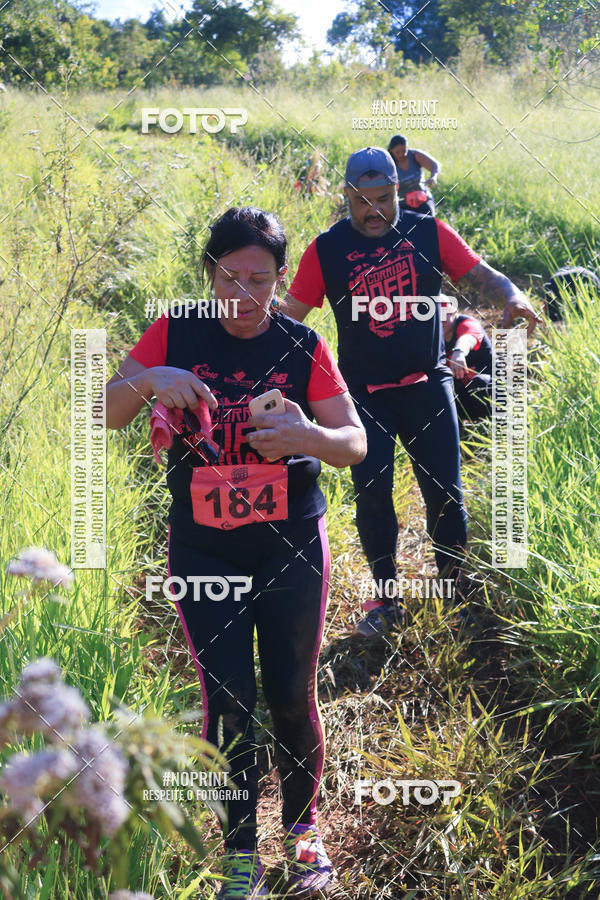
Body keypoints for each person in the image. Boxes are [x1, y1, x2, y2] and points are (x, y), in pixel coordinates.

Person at [105, 207, 366, 899]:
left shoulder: (301, 343)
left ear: (281, 280)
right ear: (210, 273)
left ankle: (304, 834)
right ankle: (240, 850)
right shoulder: (176, 331)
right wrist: (153, 378)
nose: (243, 294)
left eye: (260, 279)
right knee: (227, 700)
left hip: (290, 548)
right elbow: (105, 409)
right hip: (203, 550)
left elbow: (354, 442)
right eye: (229, 277)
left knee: (290, 694)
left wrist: (307, 437)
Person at [283, 146, 540, 637]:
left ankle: (455, 593)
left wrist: (513, 295)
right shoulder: (327, 250)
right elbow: (290, 317)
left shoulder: (428, 232)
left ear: (398, 191)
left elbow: (481, 275)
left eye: (384, 198)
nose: (374, 210)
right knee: (372, 497)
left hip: (428, 385)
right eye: (362, 201)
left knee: (445, 492)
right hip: (363, 396)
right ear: (347, 196)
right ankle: (386, 601)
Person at [441, 297, 494, 423]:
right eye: (435, 317)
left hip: (491, 388)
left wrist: (459, 352)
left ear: (453, 313)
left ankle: (494, 426)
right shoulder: (434, 337)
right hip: (462, 392)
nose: (440, 320)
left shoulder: (467, 323)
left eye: (444, 314)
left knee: (480, 383)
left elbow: (468, 338)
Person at [387, 133, 441, 216]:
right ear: (391, 150)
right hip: (402, 204)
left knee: (428, 219)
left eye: (404, 151)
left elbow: (435, 165)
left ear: (407, 148)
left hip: (422, 199)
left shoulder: (415, 155)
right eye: (397, 152)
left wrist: (433, 177)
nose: (401, 154)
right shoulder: (388, 163)